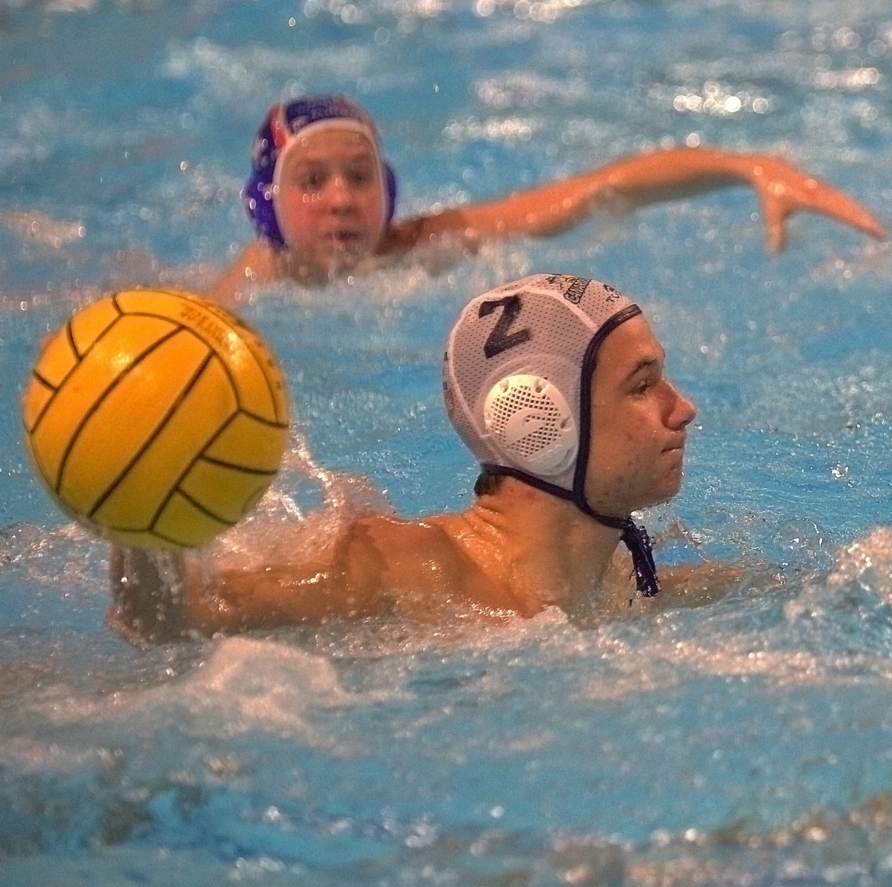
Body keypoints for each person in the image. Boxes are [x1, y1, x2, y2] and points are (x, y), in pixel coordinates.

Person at [111, 272, 721, 645]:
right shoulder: (398, 572)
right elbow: (169, 621)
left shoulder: (623, 583)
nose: (683, 408)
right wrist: (140, 489)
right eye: (642, 386)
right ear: (538, 419)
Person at [208, 94, 888, 301]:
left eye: (359, 176)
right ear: (266, 202)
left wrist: (748, 167)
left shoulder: (425, 245)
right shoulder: (251, 287)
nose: (341, 199)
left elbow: (600, 189)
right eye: (312, 180)